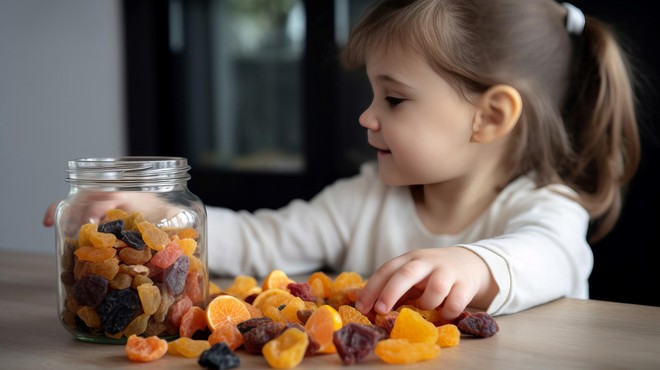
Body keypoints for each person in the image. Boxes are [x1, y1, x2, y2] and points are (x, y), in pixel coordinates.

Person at [44, 0, 640, 322]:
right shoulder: (362, 200)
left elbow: (553, 258)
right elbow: (260, 240)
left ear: (489, 116)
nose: (366, 117)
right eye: (371, 95)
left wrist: (474, 265)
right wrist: (160, 215)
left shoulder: (544, 207)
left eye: (395, 98)